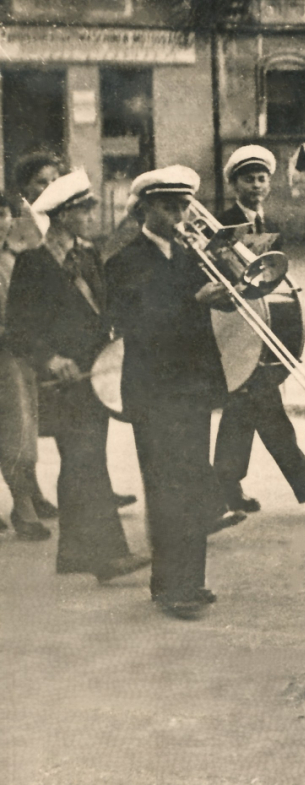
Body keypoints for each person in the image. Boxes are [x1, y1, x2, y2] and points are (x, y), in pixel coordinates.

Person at [105, 165, 242, 619]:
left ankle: (190, 581)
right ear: (145, 208)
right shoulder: (124, 260)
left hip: (192, 386)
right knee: (167, 488)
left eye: (184, 206)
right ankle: (168, 585)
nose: (180, 215)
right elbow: (138, 326)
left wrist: (223, 292)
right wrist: (195, 301)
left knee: (186, 482)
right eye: (170, 207)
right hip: (153, 391)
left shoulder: (191, 255)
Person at [5, 170, 150, 583]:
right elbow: (17, 327)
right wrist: (49, 359)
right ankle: (107, 556)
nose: (91, 214)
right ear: (64, 215)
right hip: (60, 382)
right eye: (84, 208)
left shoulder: (87, 255)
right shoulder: (33, 264)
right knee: (86, 460)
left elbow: (103, 310)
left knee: (81, 461)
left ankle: (72, 552)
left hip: (94, 375)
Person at [212, 145, 305, 514]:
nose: (256, 186)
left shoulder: (269, 225)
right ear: (235, 184)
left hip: (260, 326)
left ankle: (229, 484)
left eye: (262, 179)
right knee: (259, 405)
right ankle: (300, 481)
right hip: (236, 326)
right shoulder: (223, 224)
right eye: (248, 179)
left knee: (250, 406)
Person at [0, 191, 51, 540]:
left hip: (12, 353)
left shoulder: (13, 257)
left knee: (20, 426)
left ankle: (24, 505)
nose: (2, 222)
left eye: (4, 214)